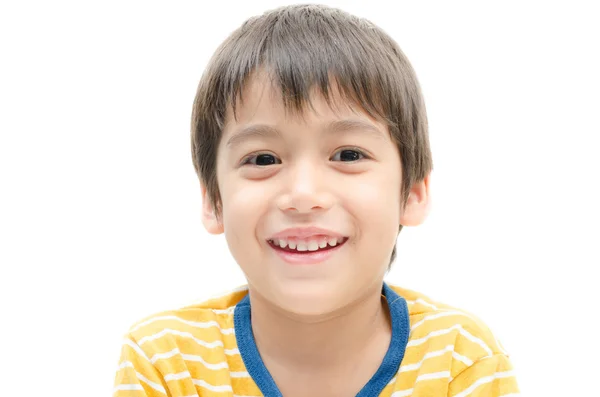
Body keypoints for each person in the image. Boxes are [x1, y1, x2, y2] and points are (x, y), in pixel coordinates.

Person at [113, 4, 519, 396]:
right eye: (263, 159)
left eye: (348, 155)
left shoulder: (460, 360)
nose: (304, 195)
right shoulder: (165, 362)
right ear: (213, 201)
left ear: (412, 191)